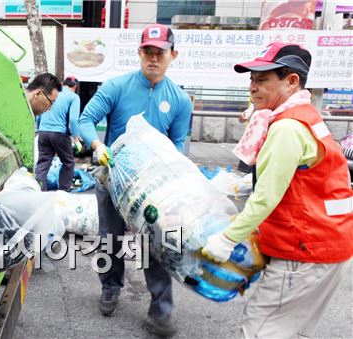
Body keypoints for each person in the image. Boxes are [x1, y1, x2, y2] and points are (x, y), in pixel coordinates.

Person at [202, 42, 352, 338]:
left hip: (304, 250)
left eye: (262, 79)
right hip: (326, 243)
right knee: (288, 330)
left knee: (260, 329)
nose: (252, 87)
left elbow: (266, 198)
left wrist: (226, 239)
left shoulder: (287, 127)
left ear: (292, 81)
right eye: (251, 79)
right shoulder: (306, 117)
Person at [78, 23, 192, 337]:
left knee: (158, 244)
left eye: (160, 52)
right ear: (139, 52)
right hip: (114, 178)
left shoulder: (180, 101)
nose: (153, 58)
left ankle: (160, 311)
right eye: (147, 51)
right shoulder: (117, 86)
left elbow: (181, 142)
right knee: (109, 239)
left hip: (153, 188)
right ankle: (110, 287)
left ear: (173, 55)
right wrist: (97, 145)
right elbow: (86, 119)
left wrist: (175, 170)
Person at [35, 76, 81, 191]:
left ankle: (39, 193)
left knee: (42, 165)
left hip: (43, 132)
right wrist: (76, 138)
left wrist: (41, 128)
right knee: (68, 163)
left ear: (63, 83)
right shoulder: (74, 97)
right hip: (59, 133)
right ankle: (63, 193)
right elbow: (73, 120)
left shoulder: (51, 93)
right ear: (75, 87)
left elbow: (39, 114)